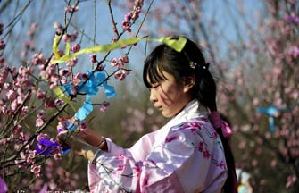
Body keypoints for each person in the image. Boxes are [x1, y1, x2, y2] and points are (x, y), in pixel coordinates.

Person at [61, 36, 237, 193]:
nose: (152, 97)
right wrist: (97, 143)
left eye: (157, 85)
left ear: (187, 81)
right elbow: (134, 161)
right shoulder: (189, 131)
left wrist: (88, 152)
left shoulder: (188, 135)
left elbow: (145, 185)